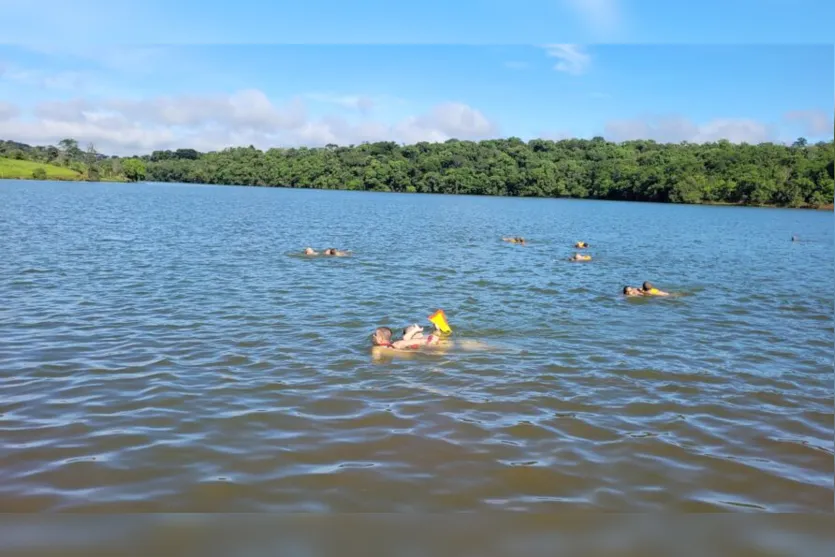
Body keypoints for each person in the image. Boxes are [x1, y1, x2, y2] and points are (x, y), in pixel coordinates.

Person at [371, 324, 444, 351]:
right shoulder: (395, 344)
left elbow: (406, 338)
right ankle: (437, 330)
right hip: (432, 339)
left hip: (430, 342)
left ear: (380, 339)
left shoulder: (396, 344)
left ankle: (437, 330)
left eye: (375, 334)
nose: (373, 335)